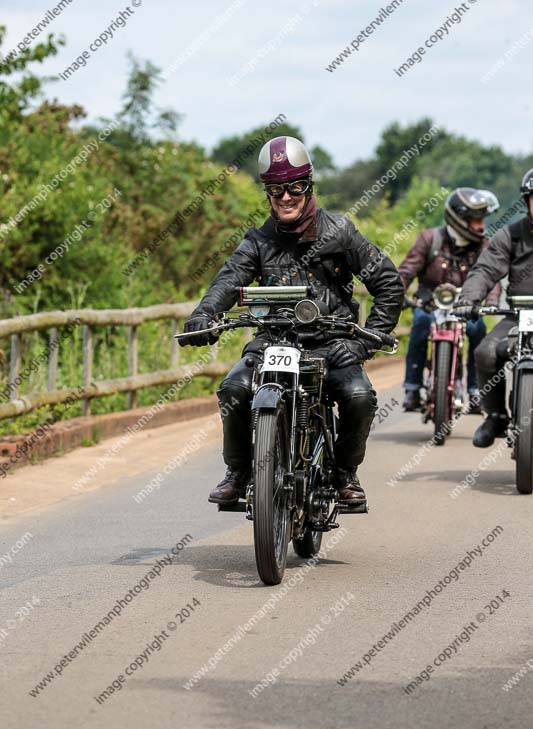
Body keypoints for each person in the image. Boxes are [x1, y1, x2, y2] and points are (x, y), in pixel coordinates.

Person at [180, 136, 404, 506]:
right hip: (274, 340)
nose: (286, 197)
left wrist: (365, 341)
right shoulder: (257, 241)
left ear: (308, 186)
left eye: (294, 187)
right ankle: (238, 472)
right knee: (234, 389)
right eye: (276, 189)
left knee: (359, 396)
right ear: (267, 193)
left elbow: (388, 283)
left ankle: (345, 474)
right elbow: (228, 279)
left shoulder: (340, 232)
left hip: (332, 344)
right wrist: (205, 314)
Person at [398, 188, 500, 412]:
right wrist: (396, 294)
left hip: (466, 305)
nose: (481, 226)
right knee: (420, 324)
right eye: (475, 220)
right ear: (459, 219)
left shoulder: (483, 245)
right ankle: (412, 388)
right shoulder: (430, 238)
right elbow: (406, 271)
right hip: (429, 303)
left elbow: (492, 277)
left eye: (482, 219)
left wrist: (491, 302)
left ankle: (475, 390)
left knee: (477, 330)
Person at [454, 169, 533, 447]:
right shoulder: (509, 236)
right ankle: (497, 416)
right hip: (518, 315)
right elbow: (485, 270)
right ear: (527, 201)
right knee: (486, 351)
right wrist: (468, 299)